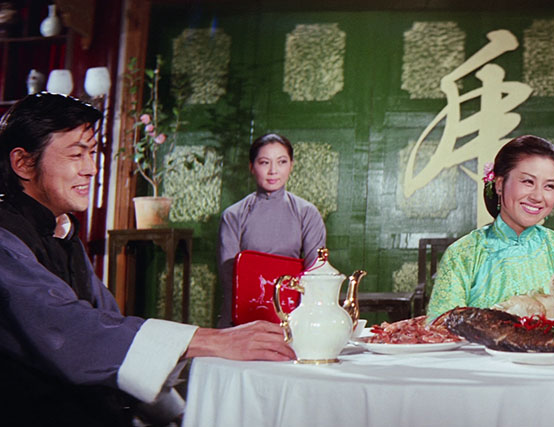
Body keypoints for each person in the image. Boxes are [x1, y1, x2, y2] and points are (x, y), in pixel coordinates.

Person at [0, 93, 295, 426]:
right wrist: (211, 340)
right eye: (76, 154)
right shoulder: (5, 239)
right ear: (23, 163)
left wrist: (176, 414)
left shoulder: (62, 231)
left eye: (93, 153)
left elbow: (109, 327)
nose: (90, 169)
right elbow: (70, 332)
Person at [426, 135, 554, 320]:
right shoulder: (463, 254)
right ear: (500, 185)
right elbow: (442, 329)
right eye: (528, 182)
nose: (538, 196)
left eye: (549, 186)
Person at [216, 133, 326, 327]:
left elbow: (316, 272)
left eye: (281, 162)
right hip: (244, 314)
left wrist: (302, 319)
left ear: (291, 165)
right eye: (264, 162)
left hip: (294, 313)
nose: (273, 170)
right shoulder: (234, 215)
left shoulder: (307, 213)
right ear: (251, 167)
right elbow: (229, 277)